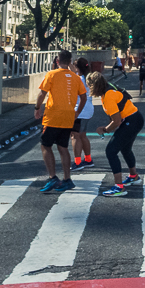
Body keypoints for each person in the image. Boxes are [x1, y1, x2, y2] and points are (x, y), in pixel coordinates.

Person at [34, 51, 87, 193]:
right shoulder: (76, 78)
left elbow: (42, 93)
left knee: (46, 145)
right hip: (68, 117)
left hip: (53, 116)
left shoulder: (52, 74)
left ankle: (52, 177)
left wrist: (37, 108)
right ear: (70, 61)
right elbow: (84, 98)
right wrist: (77, 112)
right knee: (63, 147)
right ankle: (67, 179)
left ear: (57, 60)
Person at [87, 72, 145, 197]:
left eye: (89, 86)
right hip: (134, 118)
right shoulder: (108, 88)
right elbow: (115, 115)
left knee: (111, 151)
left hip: (131, 120)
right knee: (125, 149)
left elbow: (116, 121)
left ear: (94, 86)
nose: (89, 89)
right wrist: (110, 127)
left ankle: (119, 187)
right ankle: (133, 176)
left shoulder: (108, 96)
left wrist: (105, 130)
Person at [71, 58, 95, 170]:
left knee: (75, 136)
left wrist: (76, 112)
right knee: (83, 135)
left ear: (78, 68)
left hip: (80, 109)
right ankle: (88, 159)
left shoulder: (78, 79)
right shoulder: (88, 78)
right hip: (88, 109)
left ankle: (77, 162)